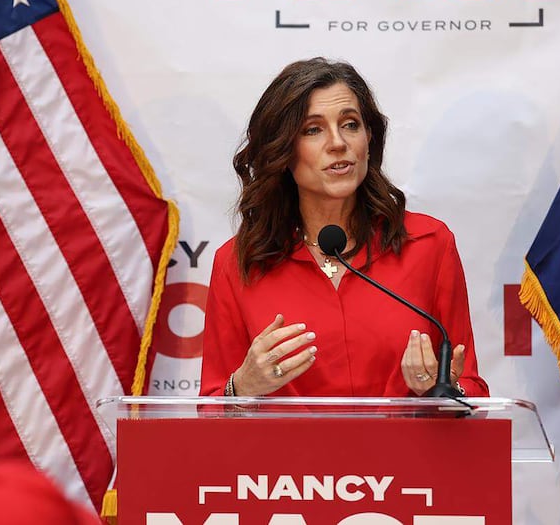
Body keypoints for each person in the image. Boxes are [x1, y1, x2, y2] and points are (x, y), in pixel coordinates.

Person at [200, 58, 488, 398]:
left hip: (404, 451)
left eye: (350, 124)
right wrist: (243, 388)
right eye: (313, 129)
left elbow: (470, 388)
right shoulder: (237, 262)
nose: (338, 143)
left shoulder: (428, 244)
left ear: (369, 137)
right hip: (285, 453)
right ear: (282, 150)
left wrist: (441, 389)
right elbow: (213, 411)